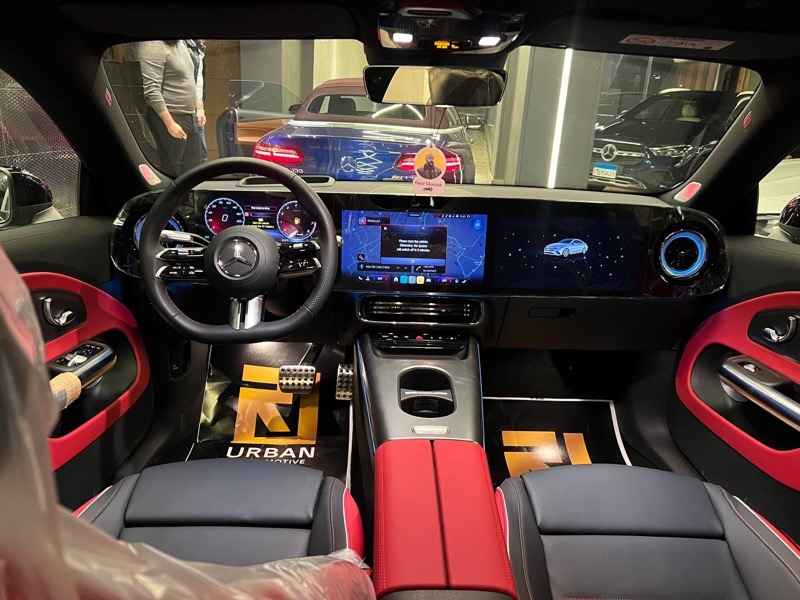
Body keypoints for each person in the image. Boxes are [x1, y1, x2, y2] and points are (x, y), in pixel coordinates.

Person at [138, 40, 204, 175]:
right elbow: (151, 90)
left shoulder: (181, 44)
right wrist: (170, 124)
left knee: (195, 168)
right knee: (174, 170)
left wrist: (199, 108)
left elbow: (190, 79)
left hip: (189, 116)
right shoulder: (153, 46)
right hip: (170, 115)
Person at [185, 39, 208, 162]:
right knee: (197, 158)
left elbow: (198, 83)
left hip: (196, 107)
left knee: (201, 157)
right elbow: (187, 83)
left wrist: (201, 108)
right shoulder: (186, 48)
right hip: (188, 108)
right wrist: (198, 108)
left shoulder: (198, 50)